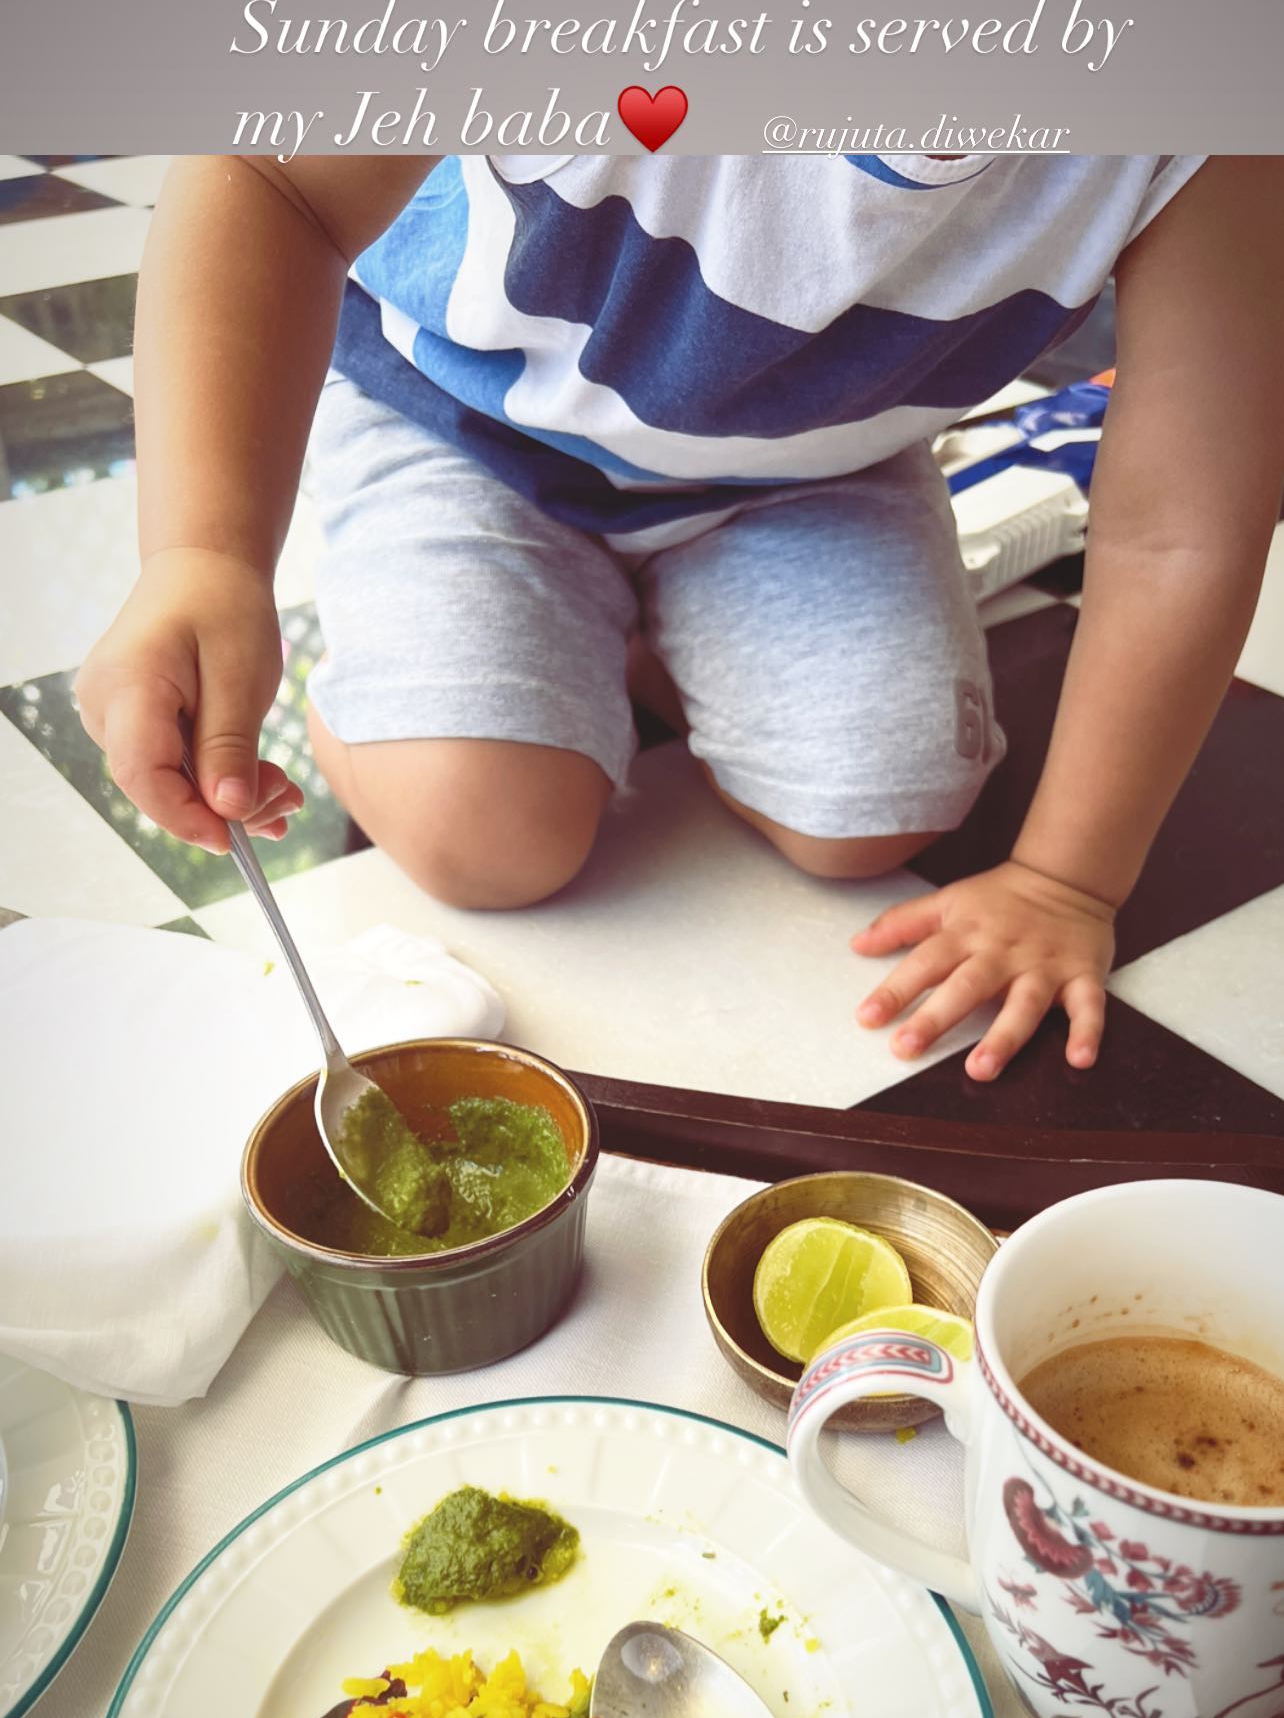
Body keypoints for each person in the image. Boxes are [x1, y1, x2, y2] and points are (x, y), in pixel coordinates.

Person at [75, 152, 1284, 1080]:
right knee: (485, 831)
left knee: (874, 813)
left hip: (811, 464)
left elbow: (1186, 521)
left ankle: (616, 620)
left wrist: (1068, 881)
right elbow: (269, 181)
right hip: (459, 416)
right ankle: (403, 660)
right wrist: (204, 553)